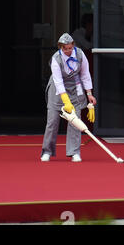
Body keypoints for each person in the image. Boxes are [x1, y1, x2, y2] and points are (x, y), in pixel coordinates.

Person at [40, 33, 96, 162]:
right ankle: (47, 151)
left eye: (70, 48)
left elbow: (85, 75)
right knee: (52, 122)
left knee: (75, 122)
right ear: (60, 48)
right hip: (57, 90)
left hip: (75, 88)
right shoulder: (56, 59)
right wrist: (66, 102)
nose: (68, 51)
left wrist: (89, 94)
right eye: (65, 49)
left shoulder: (80, 55)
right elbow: (58, 81)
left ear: (73, 46)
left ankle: (74, 151)